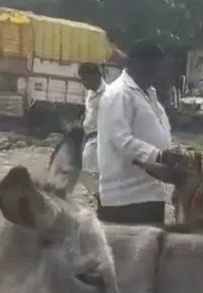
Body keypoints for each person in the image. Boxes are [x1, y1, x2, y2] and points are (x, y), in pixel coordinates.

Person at [96, 39, 191, 225]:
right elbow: (119, 139)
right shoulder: (118, 93)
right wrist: (160, 156)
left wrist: (173, 153)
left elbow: (156, 131)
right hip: (125, 197)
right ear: (140, 64)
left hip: (150, 192)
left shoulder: (148, 92)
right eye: (155, 67)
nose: (158, 72)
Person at [77, 62, 106, 204]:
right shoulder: (90, 94)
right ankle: (98, 196)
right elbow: (88, 112)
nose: (83, 83)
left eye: (85, 79)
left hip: (101, 137)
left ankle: (101, 197)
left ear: (95, 76)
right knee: (88, 172)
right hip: (89, 136)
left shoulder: (108, 93)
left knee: (89, 171)